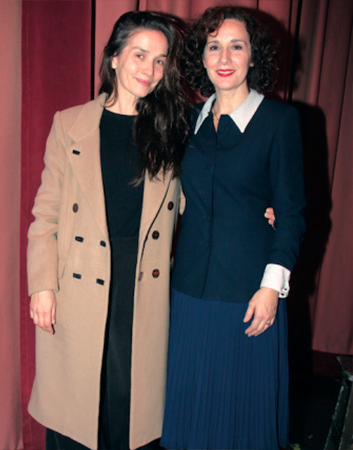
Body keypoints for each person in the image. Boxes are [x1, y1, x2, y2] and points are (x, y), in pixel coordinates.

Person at [27, 11, 190, 450]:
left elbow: (202, 197)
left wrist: (258, 207)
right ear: (114, 57)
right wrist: (42, 285)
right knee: (77, 404)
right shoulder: (70, 123)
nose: (150, 69)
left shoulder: (173, 129)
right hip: (80, 277)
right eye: (140, 55)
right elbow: (46, 213)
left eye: (160, 60)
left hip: (143, 282)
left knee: (128, 401)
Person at [161, 6, 305, 450]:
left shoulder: (280, 122)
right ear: (201, 58)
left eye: (236, 46)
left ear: (253, 56)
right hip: (187, 290)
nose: (224, 58)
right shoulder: (187, 122)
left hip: (248, 292)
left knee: (240, 420)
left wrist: (272, 287)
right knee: (188, 413)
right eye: (214, 46)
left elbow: (292, 213)